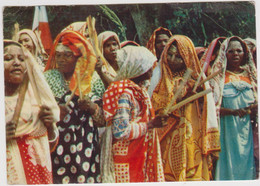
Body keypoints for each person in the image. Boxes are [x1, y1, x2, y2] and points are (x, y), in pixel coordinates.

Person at [151, 35, 220, 181]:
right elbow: (154, 104)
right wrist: (177, 99)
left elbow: (207, 110)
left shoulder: (198, 80)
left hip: (192, 134)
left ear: (187, 57)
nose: (172, 60)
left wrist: (199, 95)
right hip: (166, 134)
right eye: (169, 55)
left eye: (178, 56)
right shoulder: (160, 78)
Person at [44, 30, 105, 184]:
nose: (61, 60)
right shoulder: (47, 79)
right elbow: (38, 111)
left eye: (67, 55)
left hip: (86, 145)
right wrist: (55, 111)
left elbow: (103, 120)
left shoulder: (92, 79)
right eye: (58, 55)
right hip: (57, 145)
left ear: (79, 57)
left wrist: (92, 108)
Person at [102, 46, 165, 183]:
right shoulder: (125, 93)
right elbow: (120, 131)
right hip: (127, 157)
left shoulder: (139, 90)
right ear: (137, 68)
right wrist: (149, 125)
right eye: (148, 66)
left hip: (138, 154)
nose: (151, 70)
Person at [4, 40, 60, 184]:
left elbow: (51, 144)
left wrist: (49, 127)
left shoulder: (37, 99)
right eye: (8, 58)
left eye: (22, 59)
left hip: (38, 176)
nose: (17, 63)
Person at [210, 36, 258, 180]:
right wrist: (232, 112)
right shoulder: (217, 77)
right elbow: (212, 107)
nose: (235, 54)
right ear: (225, 54)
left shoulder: (252, 76)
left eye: (239, 51)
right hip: (225, 129)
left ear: (245, 53)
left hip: (246, 129)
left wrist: (253, 108)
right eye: (231, 51)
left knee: (246, 164)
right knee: (226, 164)